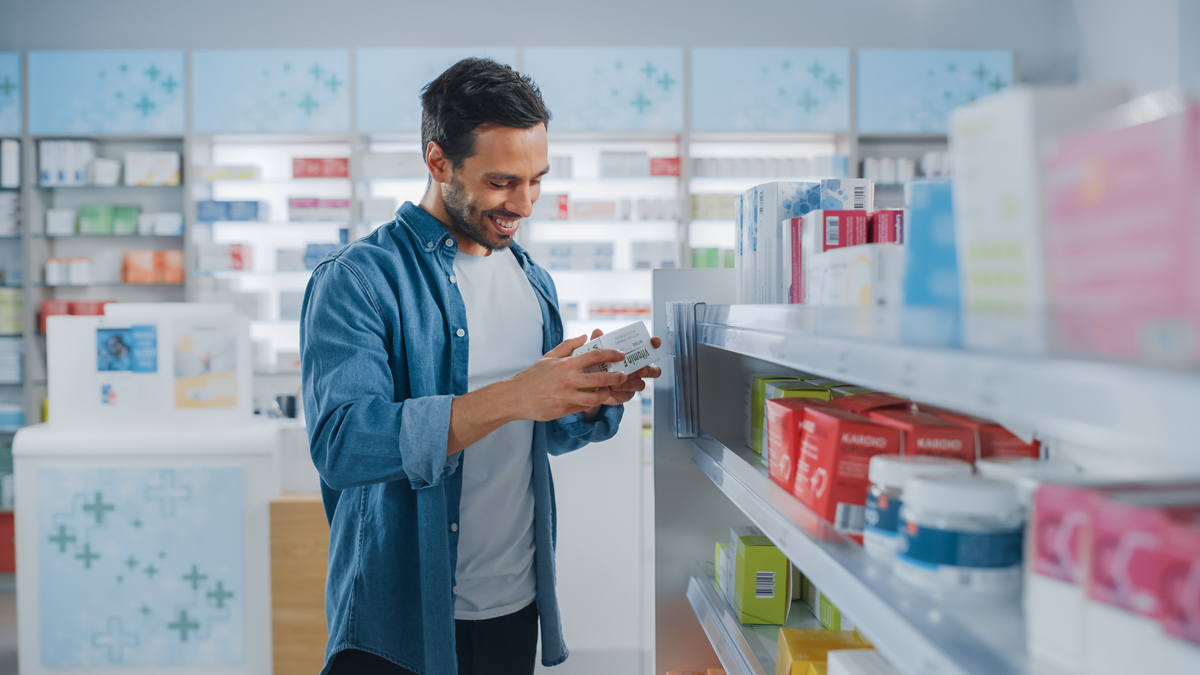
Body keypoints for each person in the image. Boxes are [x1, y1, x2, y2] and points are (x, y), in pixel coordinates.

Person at [300, 57, 662, 675]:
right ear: (439, 162)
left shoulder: (532, 280)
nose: (523, 204)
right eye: (501, 182)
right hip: (399, 622)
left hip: (514, 606)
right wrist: (517, 395)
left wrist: (586, 399)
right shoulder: (357, 281)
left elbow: (538, 436)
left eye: (536, 180)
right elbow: (343, 445)